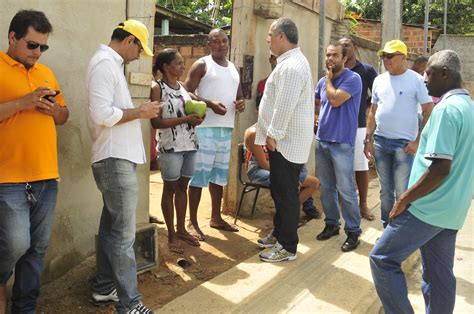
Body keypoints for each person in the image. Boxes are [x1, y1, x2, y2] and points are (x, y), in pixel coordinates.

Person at [370, 50, 474, 314]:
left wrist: (404, 199)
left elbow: (440, 168)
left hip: (427, 208)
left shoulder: (446, 110)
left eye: (428, 72)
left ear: (444, 74)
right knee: (438, 276)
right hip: (452, 210)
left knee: (382, 258)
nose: (424, 78)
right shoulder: (469, 107)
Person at [86, 19, 159, 313]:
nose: (139, 56)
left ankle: (105, 288)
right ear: (129, 41)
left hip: (116, 159)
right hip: (113, 159)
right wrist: (140, 111)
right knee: (123, 236)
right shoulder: (105, 63)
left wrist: (138, 112)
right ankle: (130, 304)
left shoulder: (110, 65)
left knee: (111, 230)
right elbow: (102, 113)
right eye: (140, 49)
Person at [0, 10, 69, 313]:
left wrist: (54, 111)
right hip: (8, 177)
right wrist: (23, 102)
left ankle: (25, 308)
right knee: (16, 245)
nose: (37, 52)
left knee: (37, 249)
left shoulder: (47, 73)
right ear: (12, 37)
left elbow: (64, 116)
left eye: (43, 47)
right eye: (32, 45)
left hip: (45, 176)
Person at [256, 18, 314, 262]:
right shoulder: (291, 62)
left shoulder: (291, 66)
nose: (268, 39)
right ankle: (279, 234)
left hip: (284, 142)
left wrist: (273, 135)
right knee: (282, 192)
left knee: (286, 195)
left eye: (270, 34)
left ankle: (287, 247)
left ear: (281, 36)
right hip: (285, 141)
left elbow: (284, 105)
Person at [364, 40, 434, 228]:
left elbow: (429, 109)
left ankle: (400, 229)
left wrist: (418, 141)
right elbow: (373, 112)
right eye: (383, 56)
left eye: (390, 56)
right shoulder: (379, 80)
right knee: (385, 190)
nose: (386, 59)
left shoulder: (416, 80)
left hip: (404, 145)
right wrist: (368, 139)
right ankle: (387, 228)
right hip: (380, 142)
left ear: (402, 57)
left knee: (402, 190)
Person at [184, 29, 245, 240]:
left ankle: (216, 217)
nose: (221, 44)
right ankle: (192, 222)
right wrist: (209, 104)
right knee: (199, 177)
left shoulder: (234, 69)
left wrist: (240, 104)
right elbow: (185, 91)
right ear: (209, 45)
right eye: (216, 41)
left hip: (225, 129)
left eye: (224, 40)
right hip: (204, 129)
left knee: (219, 177)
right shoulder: (202, 64)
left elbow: (238, 96)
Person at [150, 49, 203, 254]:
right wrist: (186, 120)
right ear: (166, 67)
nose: (183, 66)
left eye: (182, 63)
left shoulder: (182, 88)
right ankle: (171, 234)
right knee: (169, 189)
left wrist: (197, 118)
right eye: (179, 63)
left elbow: (190, 111)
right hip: (170, 147)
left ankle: (181, 229)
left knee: (183, 187)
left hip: (189, 144)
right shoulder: (157, 88)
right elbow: (156, 121)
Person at [255, 54, 320, 219]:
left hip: (288, 141)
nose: (276, 61)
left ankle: (295, 210)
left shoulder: (292, 76)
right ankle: (286, 216)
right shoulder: (267, 84)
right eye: (273, 58)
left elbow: (286, 109)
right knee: (288, 190)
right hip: (276, 145)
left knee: (299, 182)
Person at [314, 42, 363, 252]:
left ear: (344, 58)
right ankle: (332, 224)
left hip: (342, 142)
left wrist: (328, 80)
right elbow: (318, 101)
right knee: (326, 188)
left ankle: (353, 231)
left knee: (346, 189)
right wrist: (317, 117)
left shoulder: (353, 79)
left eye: (334, 55)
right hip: (322, 139)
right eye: (327, 55)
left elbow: (334, 100)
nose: (330, 59)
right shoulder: (322, 82)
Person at [244, 118, 320, 227]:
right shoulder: (253, 133)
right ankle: (287, 214)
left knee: (303, 169)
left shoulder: (273, 131)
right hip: (258, 171)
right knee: (311, 183)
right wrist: (287, 174)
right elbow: (264, 164)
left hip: (274, 167)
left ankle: (286, 213)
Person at [338, 36, 378, 221]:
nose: (343, 47)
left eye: (346, 44)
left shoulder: (366, 71)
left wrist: (365, 106)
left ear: (355, 47)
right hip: (337, 126)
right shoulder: (336, 70)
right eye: (340, 45)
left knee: (360, 166)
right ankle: (341, 206)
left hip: (358, 126)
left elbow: (377, 95)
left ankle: (363, 204)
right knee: (338, 166)